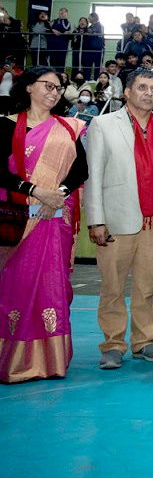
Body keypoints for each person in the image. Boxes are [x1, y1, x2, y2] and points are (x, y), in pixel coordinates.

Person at [85, 69, 153, 370]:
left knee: (147, 286)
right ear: (127, 92)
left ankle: (144, 341)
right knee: (112, 287)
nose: (149, 93)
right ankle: (113, 344)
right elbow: (93, 175)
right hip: (116, 219)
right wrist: (96, 220)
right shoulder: (102, 124)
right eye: (142, 87)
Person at [0, 67, 87, 383]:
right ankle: (13, 360)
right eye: (47, 85)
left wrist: (58, 194)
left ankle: (51, 362)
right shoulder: (6, 125)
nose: (54, 91)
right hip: (20, 220)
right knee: (16, 286)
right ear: (28, 87)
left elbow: (80, 169)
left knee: (52, 286)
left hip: (55, 219)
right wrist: (36, 191)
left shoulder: (68, 127)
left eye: (58, 87)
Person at [48, 8, 72, 73]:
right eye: (61, 12)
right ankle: (53, 76)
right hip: (52, 44)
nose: (62, 13)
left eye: (64, 12)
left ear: (67, 14)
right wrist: (52, 30)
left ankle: (60, 76)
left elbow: (65, 29)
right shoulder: (54, 21)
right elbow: (47, 29)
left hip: (62, 45)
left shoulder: (67, 23)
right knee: (52, 61)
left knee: (61, 61)